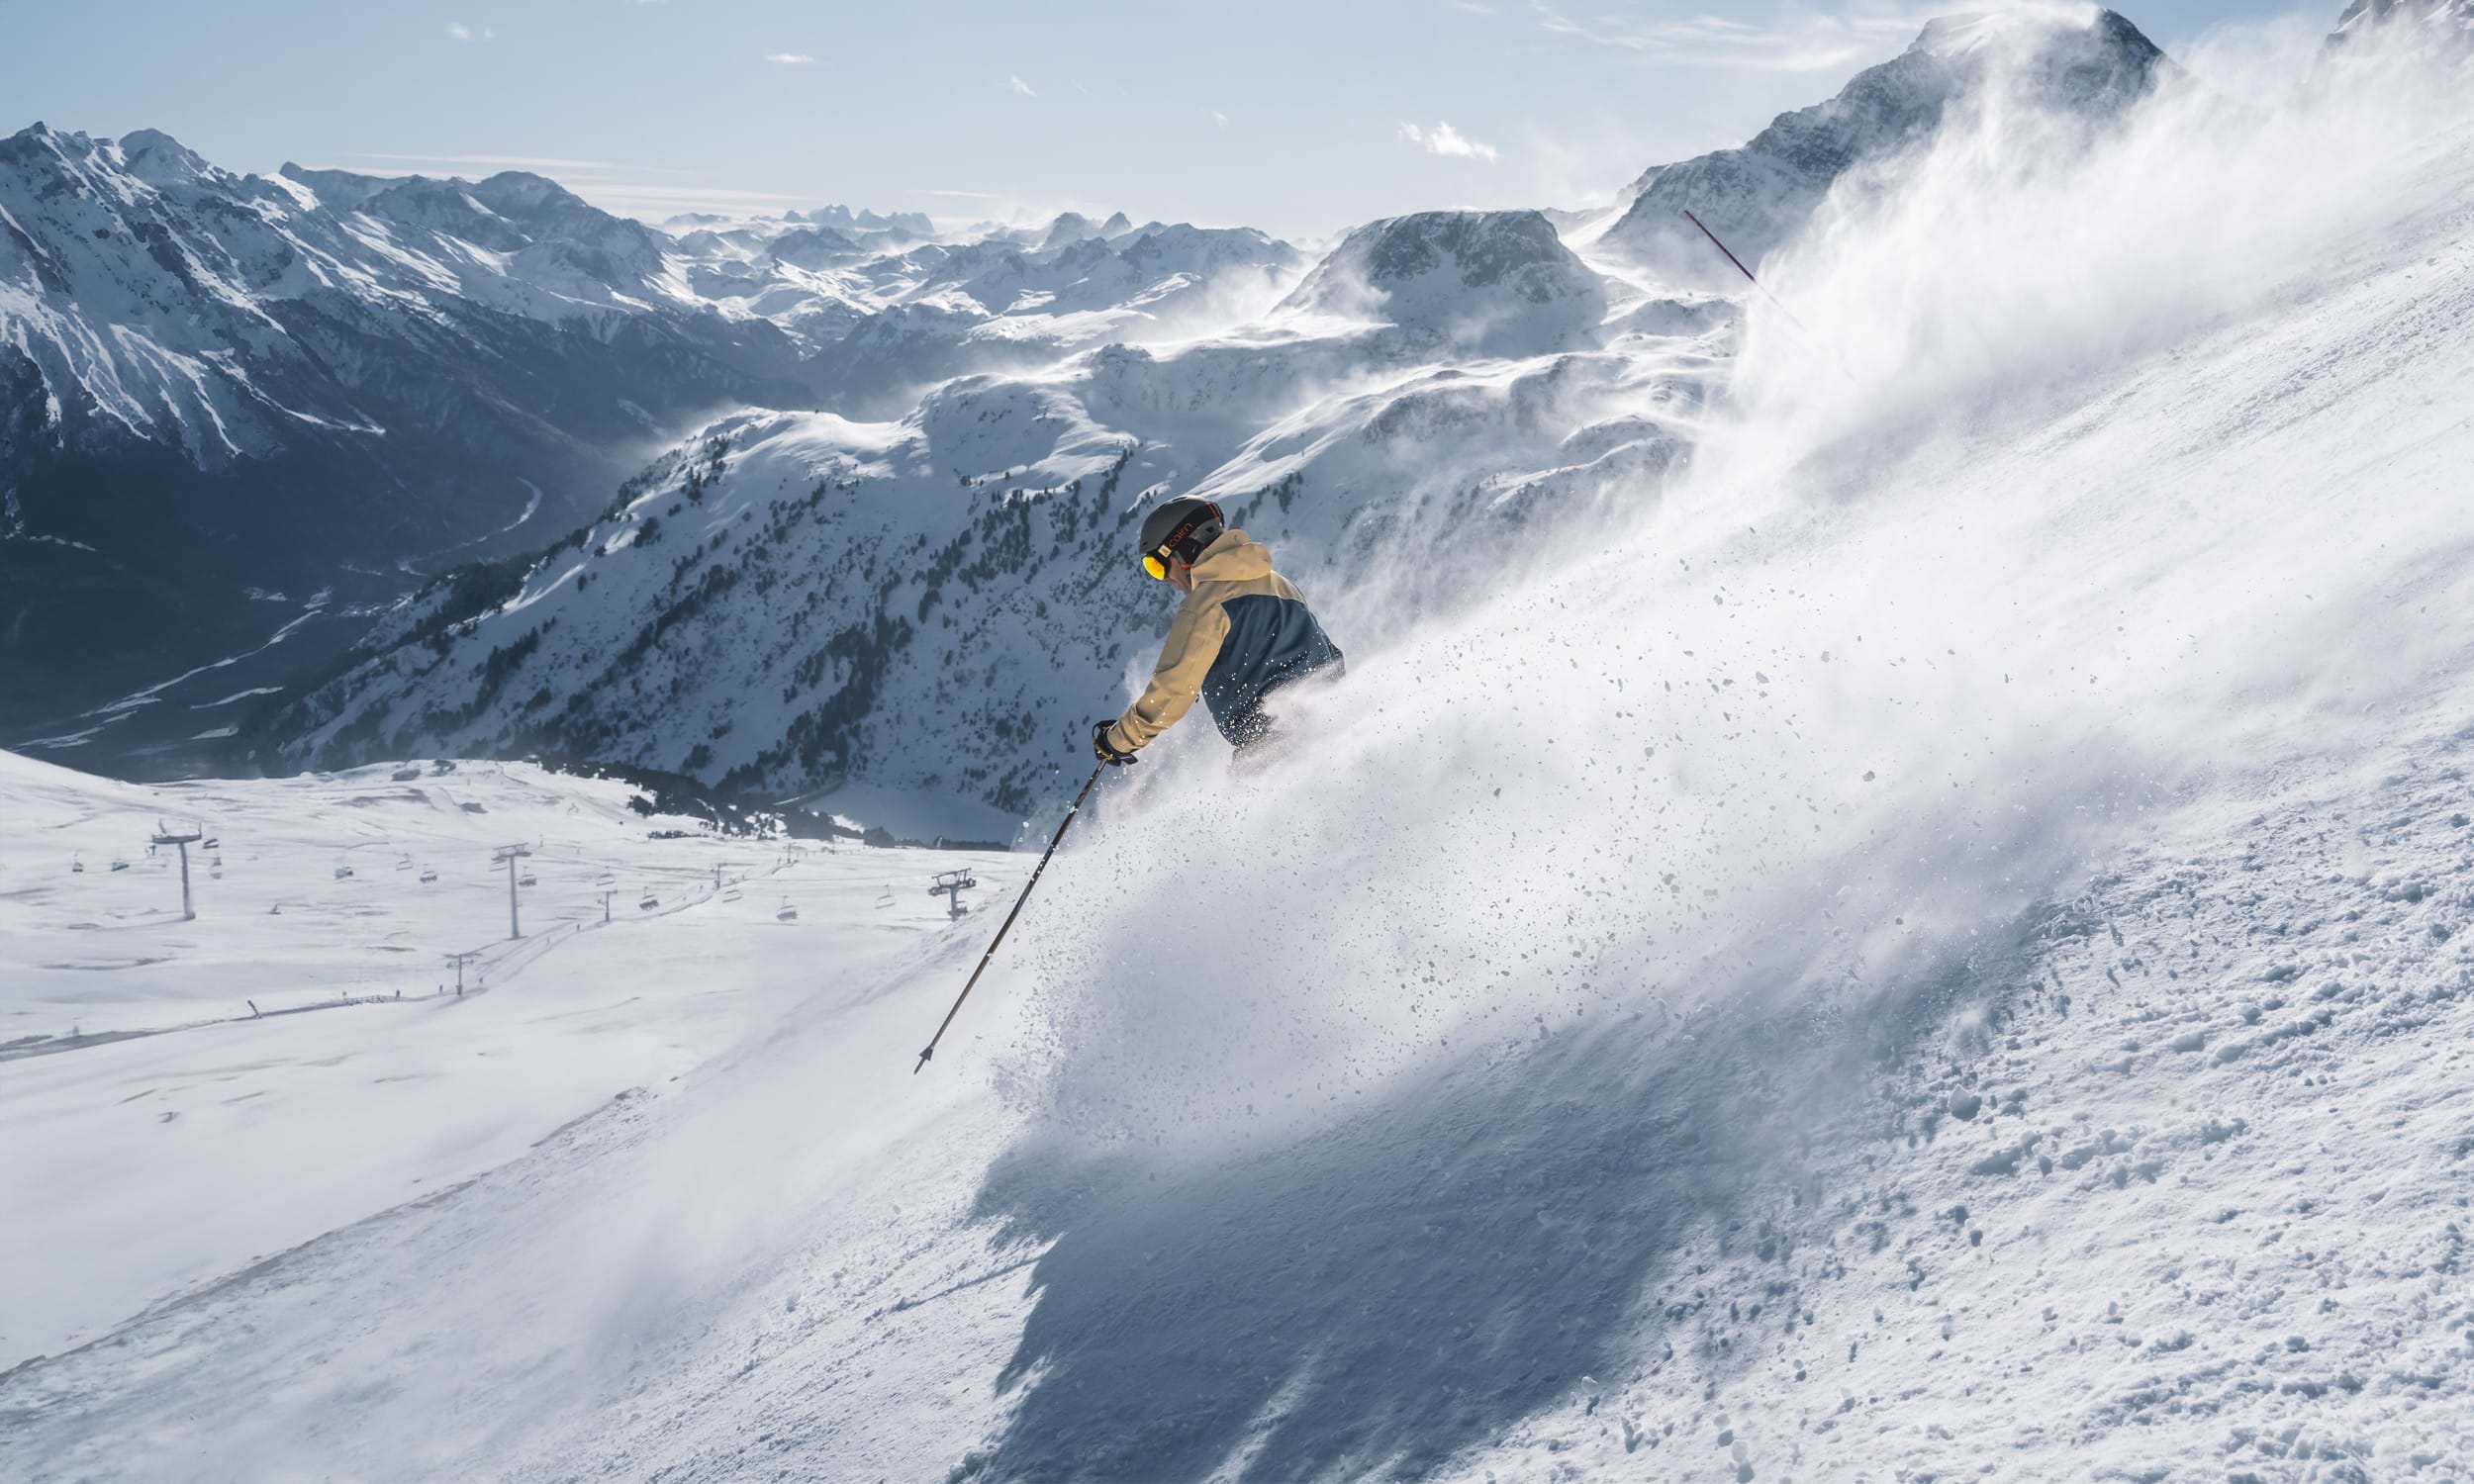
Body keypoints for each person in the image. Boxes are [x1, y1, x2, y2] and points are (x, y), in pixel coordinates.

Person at [1093, 498, 1344, 769]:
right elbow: (1330, 657)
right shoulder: (1281, 585)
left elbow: (1173, 691)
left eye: (1158, 565)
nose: (1164, 578)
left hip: (1270, 749)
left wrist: (1117, 741)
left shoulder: (1206, 605)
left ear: (1186, 551)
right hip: (1330, 730)